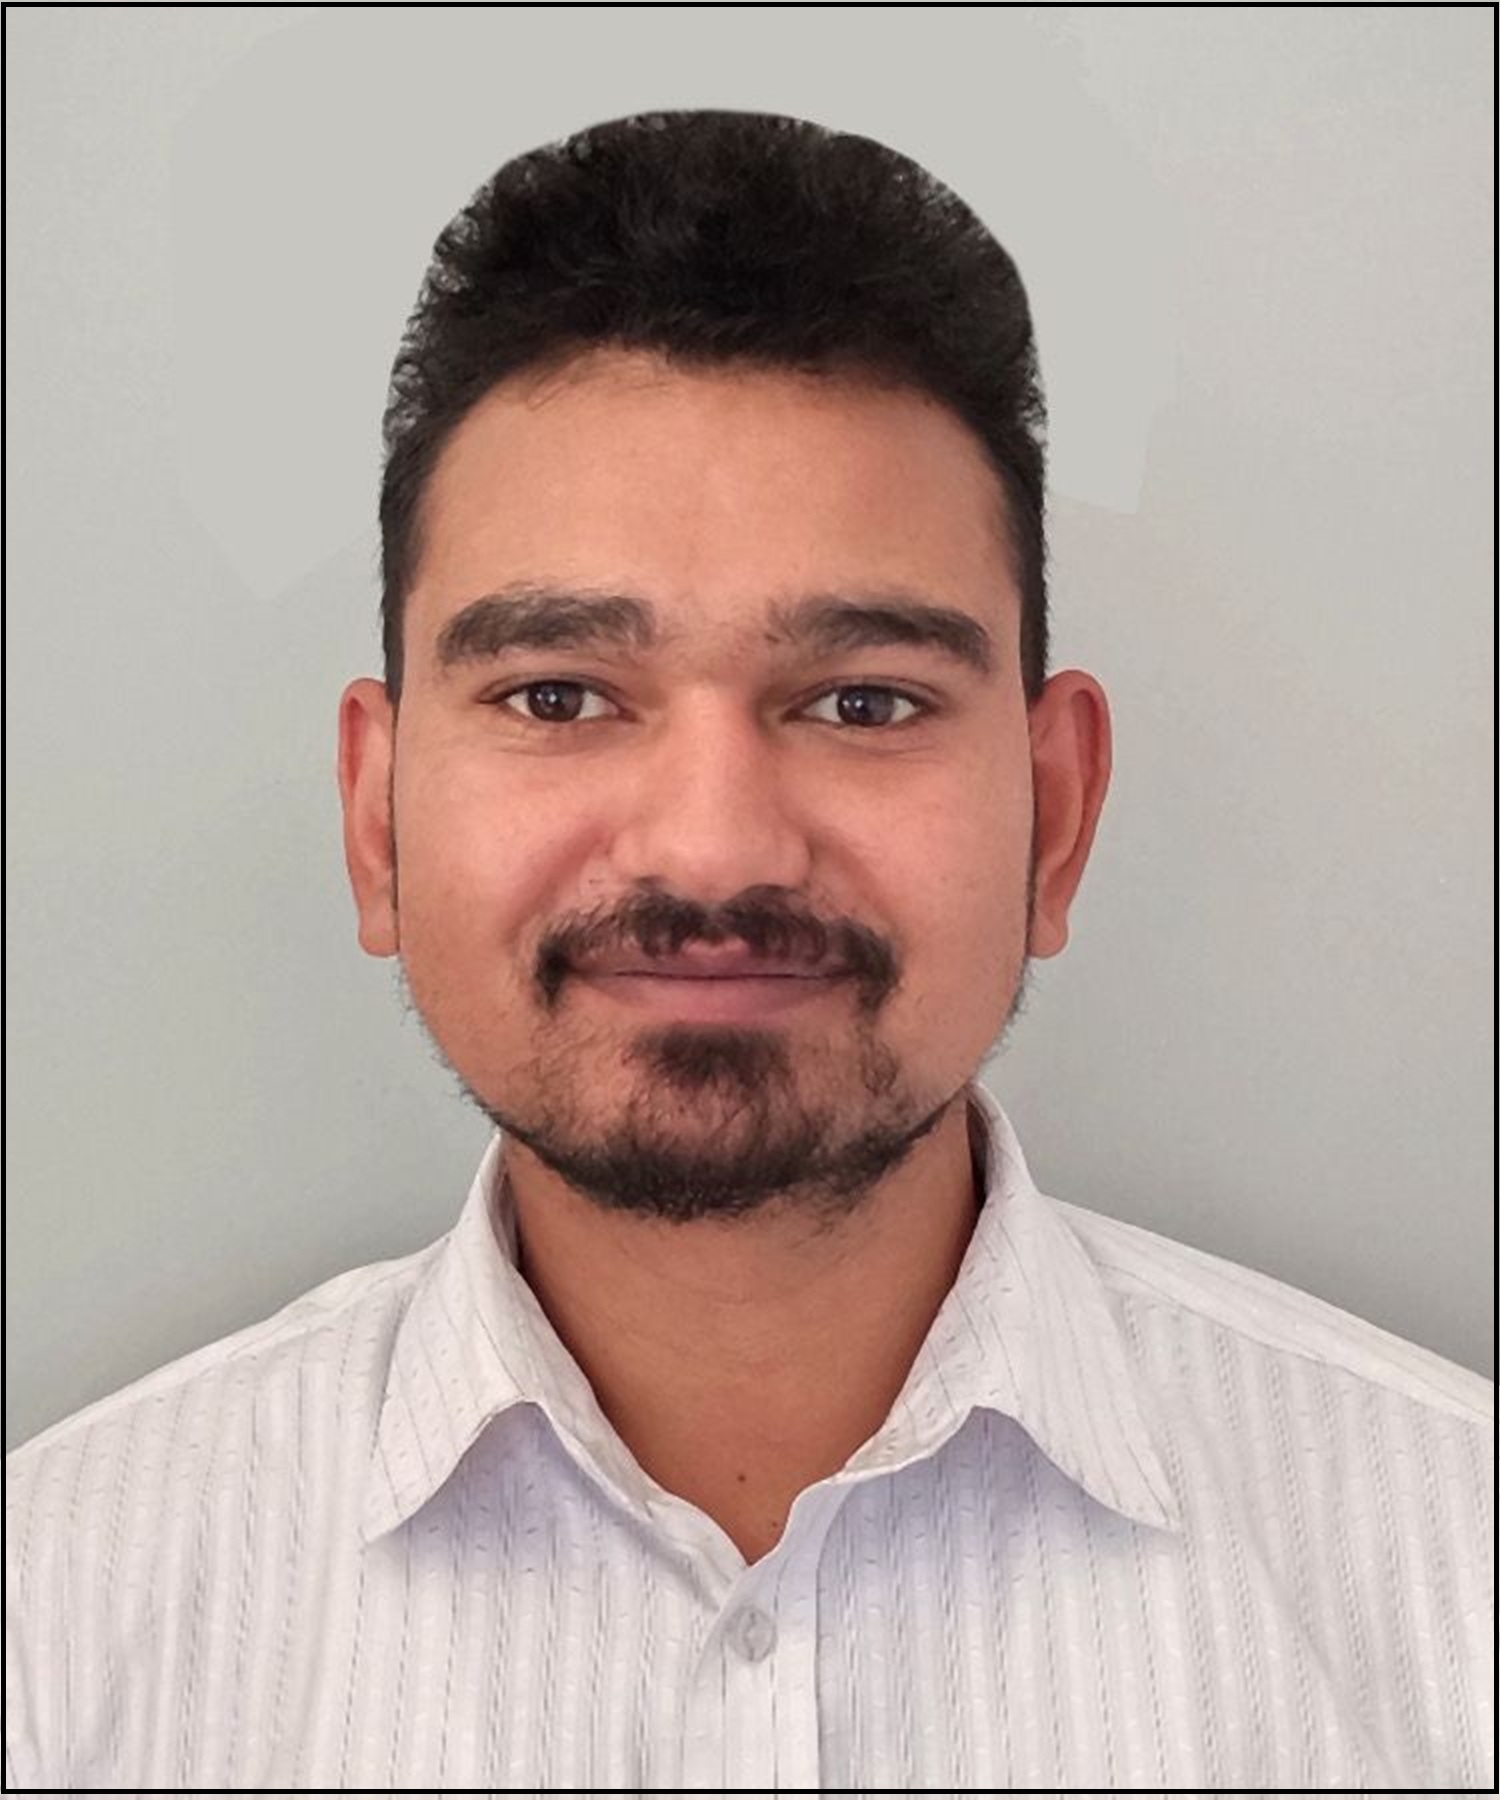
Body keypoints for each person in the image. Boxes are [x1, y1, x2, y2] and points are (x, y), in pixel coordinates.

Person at [5, 108, 1491, 1792]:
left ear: (1057, 816)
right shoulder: (53, 1626)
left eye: (863, 703)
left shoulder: (1455, 1582)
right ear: (378, 817)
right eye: (558, 695)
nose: (712, 847)